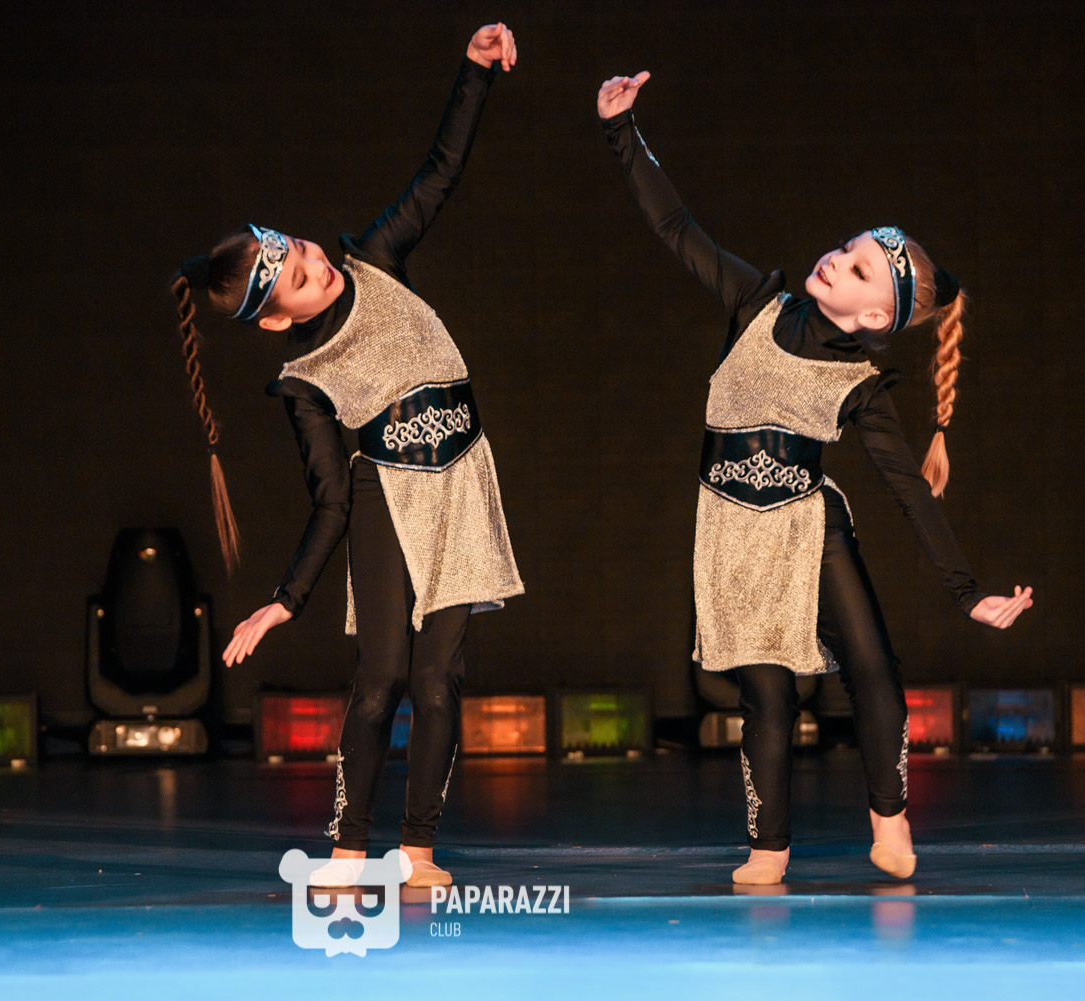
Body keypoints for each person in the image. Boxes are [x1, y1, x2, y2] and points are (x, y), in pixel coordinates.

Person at [597, 70, 1034, 885]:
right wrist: (623, 131)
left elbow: (908, 488)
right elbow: (677, 227)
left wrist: (967, 592)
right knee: (767, 697)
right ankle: (769, 845)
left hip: (811, 528)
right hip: (734, 532)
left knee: (873, 669)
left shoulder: (861, 383)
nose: (838, 258)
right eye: (848, 247)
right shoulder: (756, 300)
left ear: (874, 318)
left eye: (860, 270)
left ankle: (890, 820)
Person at [168, 23, 524, 889]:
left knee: (439, 681)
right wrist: (283, 601)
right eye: (296, 277)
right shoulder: (304, 379)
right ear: (276, 319)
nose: (314, 264)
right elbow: (330, 500)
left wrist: (474, 72)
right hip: (382, 498)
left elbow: (440, 172)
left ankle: (419, 849)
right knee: (382, 677)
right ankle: (347, 847)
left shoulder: (377, 258)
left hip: (460, 483)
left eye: (299, 248)